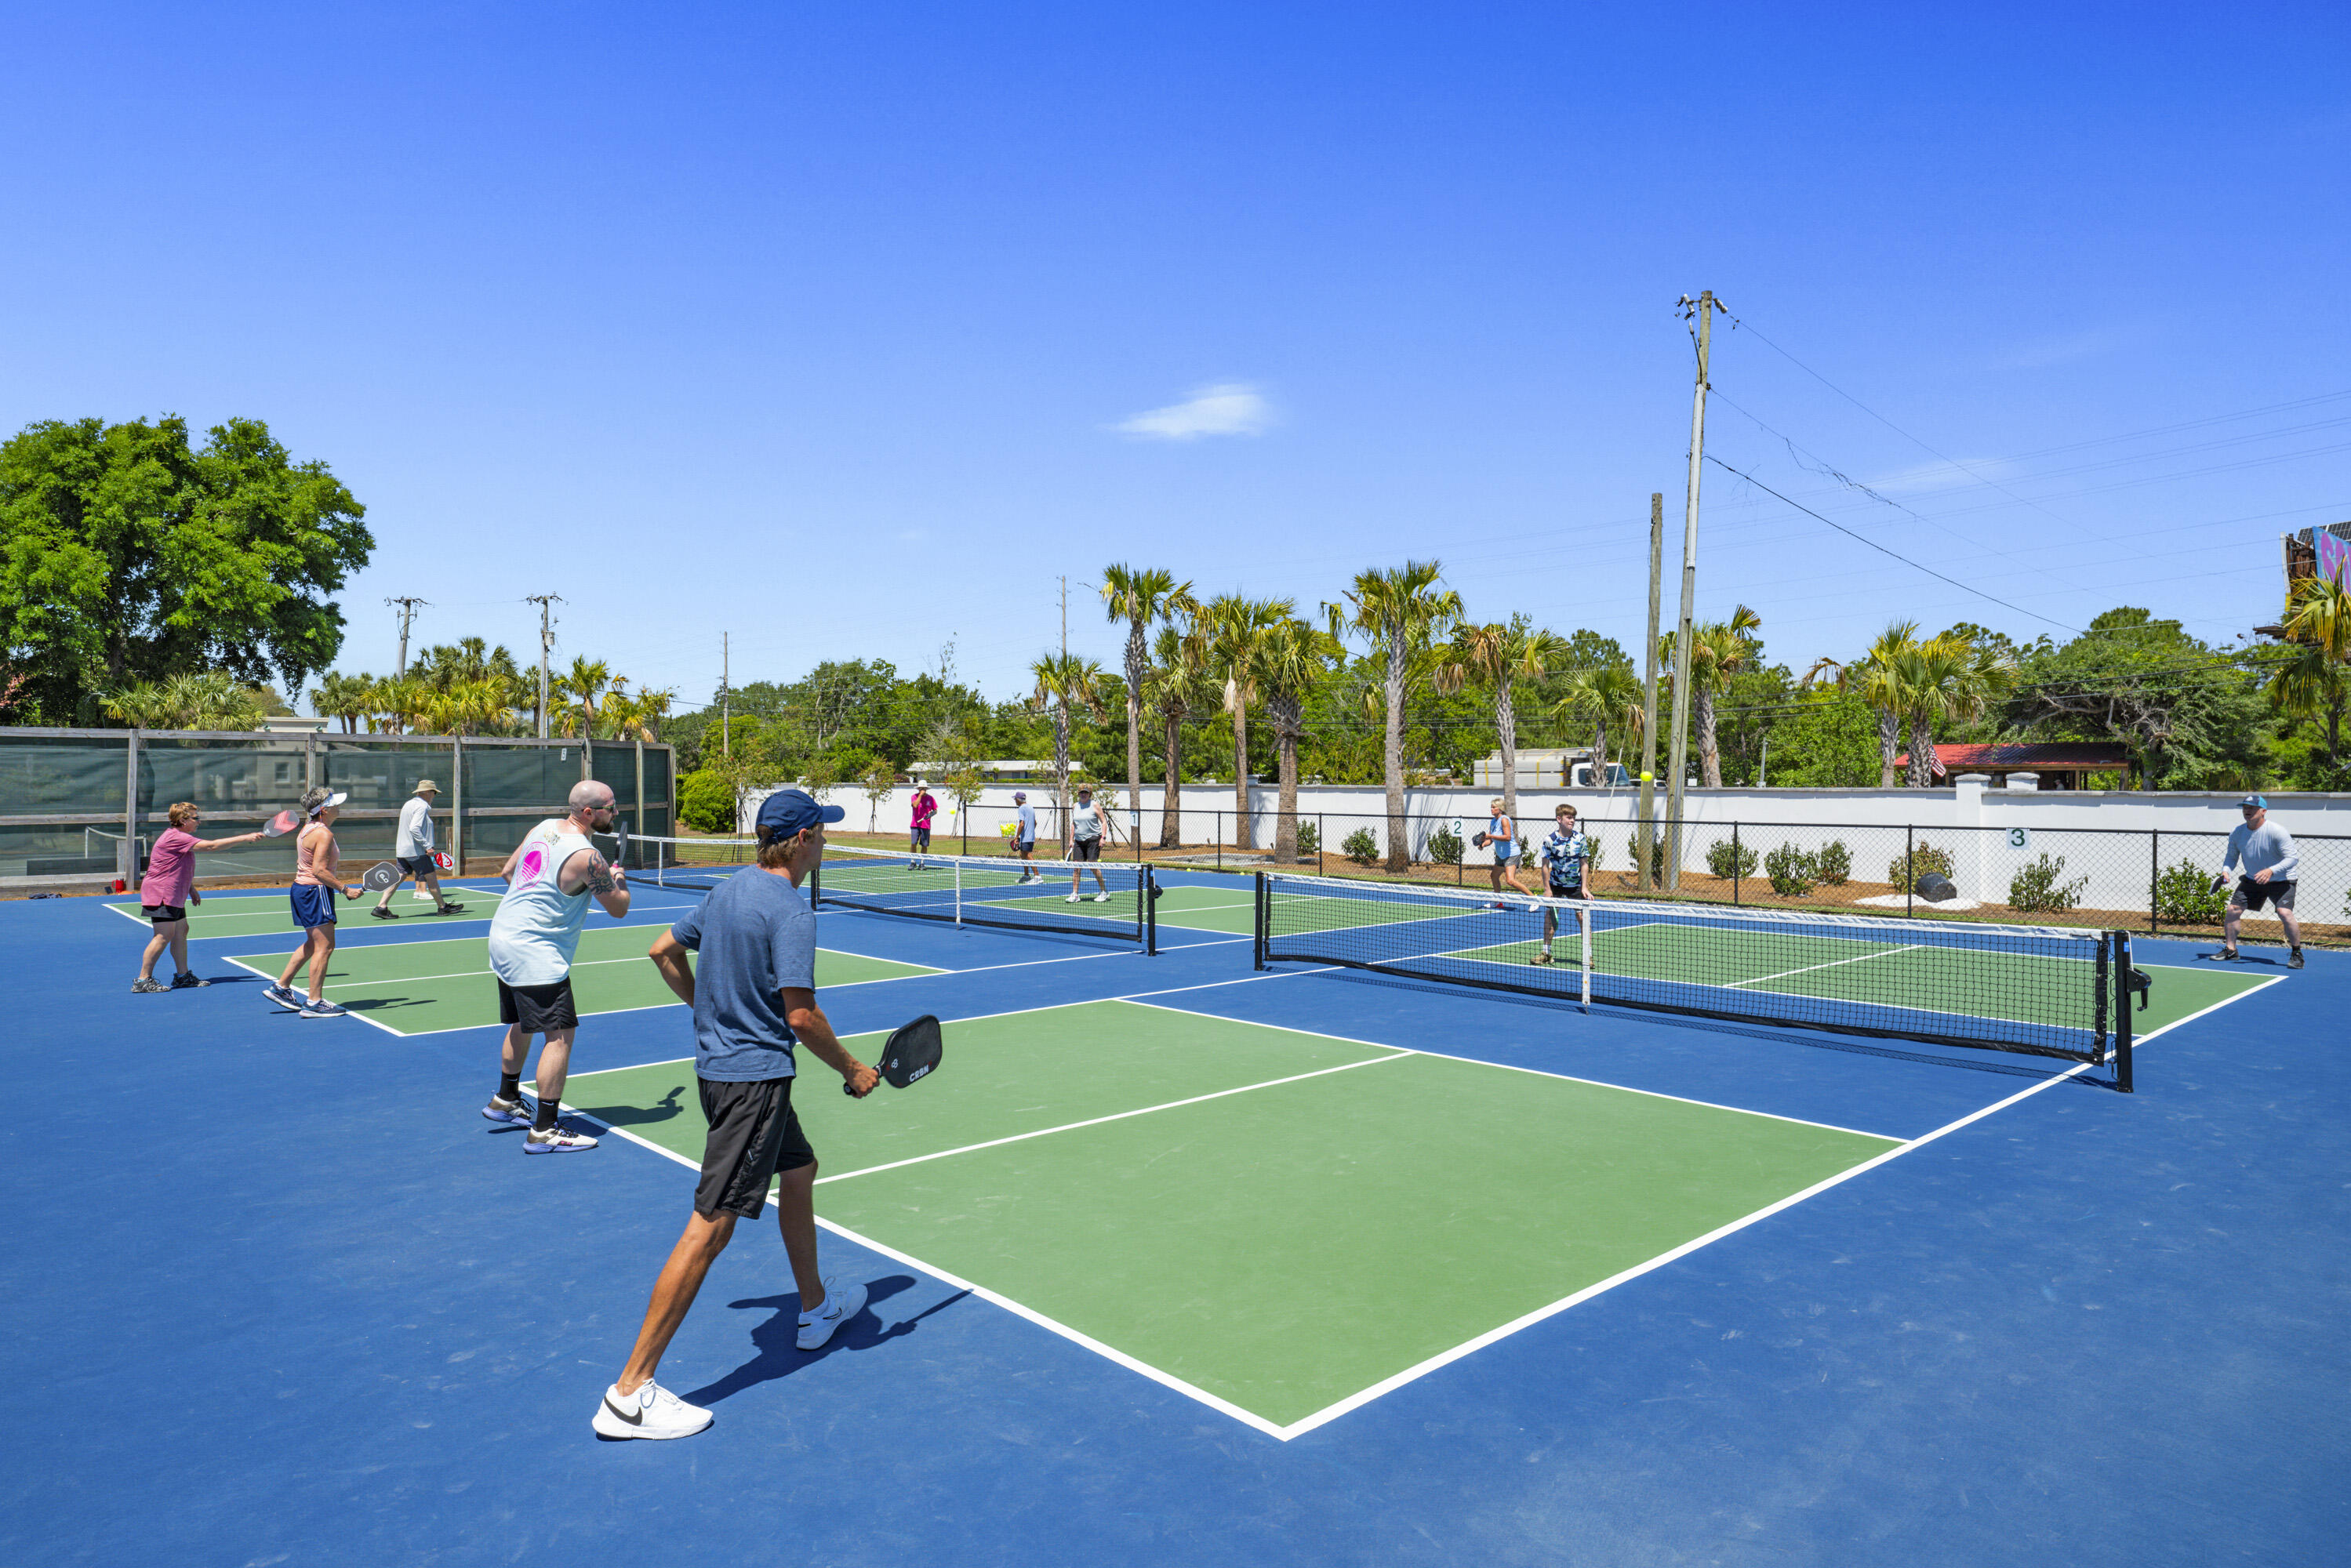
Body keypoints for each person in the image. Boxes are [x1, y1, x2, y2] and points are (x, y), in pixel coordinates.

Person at [593, 787, 879, 1440]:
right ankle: (629, 1393)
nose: (827, 841)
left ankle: (814, 1307)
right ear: (803, 839)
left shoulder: (727, 891)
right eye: (823, 831)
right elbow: (801, 1017)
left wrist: (706, 1013)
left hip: (726, 1076)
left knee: (800, 1169)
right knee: (711, 1228)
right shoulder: (791, 910)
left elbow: (662, 950)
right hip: (754, 1086)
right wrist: (852, 1070)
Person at [480, 781, 631, 1152]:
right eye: (611, 808)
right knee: (559, 1034)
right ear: (588, 813)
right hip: (535, 953)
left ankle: (506, 1099)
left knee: (523, 1023)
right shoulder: (588, 856)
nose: (616, 814)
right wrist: (619, 881)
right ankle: (545, 1129)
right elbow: (619, 907)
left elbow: (507, 872)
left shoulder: (543, 827)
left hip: (504, 938)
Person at [131, 803, 265, 993]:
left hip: (174, 893)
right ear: (183, 820)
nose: (199, 822)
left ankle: (183, 976)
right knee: (163, 935)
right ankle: (143, 980)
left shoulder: (182, 838)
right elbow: (211, 846)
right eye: (196, 818)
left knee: (181, 931)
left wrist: (191, 889)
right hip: (161, 893)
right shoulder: (175, 837)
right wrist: (246, 837)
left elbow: (175, 866)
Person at [264, 788, 362, 1018]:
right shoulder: (323, 834)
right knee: (325, 947)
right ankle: (314, 1002)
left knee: (312, 944)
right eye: (336, 804)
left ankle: (281, 987)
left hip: (302, 889)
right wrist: (345, 889)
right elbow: (319, 870)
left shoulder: (307, 829)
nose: (340, 808)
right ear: (324, 810)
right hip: (315, 891)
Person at [2219, 794, 2303, 969]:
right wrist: (2226, 871)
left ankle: (2297, 953)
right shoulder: (2237, 832)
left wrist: (2271, 870)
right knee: (2233, 910)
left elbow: (2292, 858)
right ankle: (2231, 950)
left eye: (2252, 808)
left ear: (2263, 811)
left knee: (2284, 912)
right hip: (2253, 878)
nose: (2247, 811)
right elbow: (2231, 856)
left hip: (2282, 879)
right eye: (2245, 808)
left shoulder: (2276, 831)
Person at [372, 778, 466, 920]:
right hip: (416, 852)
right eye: (434, 793)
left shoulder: (408, 804)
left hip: (403, 851)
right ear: (428, 792)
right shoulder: (421, 807)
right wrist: (427, 846)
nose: (434, 796)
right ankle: (443, 907)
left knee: (399, 878)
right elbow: (414, 828)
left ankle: (381, 907)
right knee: (432, 879)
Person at [1528, 804, 1591, 966]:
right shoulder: (1550, 841)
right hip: (1555, 885)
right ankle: (1546, 953)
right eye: (1569, 818)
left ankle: (1588, 956)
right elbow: (1544, 866)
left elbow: (1584, 864)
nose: (1572, 821)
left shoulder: (1580, 839)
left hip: (1575, 885)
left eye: (1573, 818)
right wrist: (1547, 889)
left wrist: (1584, 887)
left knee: (1582, 917)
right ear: (1559, 819)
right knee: (1550, 916)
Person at [1065, 783, 1115, 903]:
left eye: (1086, 793)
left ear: (1089, 794)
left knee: (1093, 866)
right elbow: (1074, 824)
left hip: (1093, 839)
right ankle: (1075, 894)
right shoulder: (1075, 806)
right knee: (1077, 867)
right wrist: (1071, 839)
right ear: (1079, 793)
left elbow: (1103, 822)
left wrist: (1103, 837)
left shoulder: (1095, 805)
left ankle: (1104, 891)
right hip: (1079, 840)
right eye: (1082, 792)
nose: (1083, 794)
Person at [1477, 797, 1529, 903]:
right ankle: (1497, 901)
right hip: (1501, 855)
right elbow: (1491, 840)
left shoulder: (1504, 820)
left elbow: (1508, 837)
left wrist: (1490, 835)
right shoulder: (1493, 821)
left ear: (1500, 809)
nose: (1491, 809)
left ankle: (1534, 899)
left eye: (1494, 807)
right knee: (1494, 876)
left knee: (1510, 881)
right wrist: (1482, 844)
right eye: (1491, 807)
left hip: (1511, 854)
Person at [907, 779, 937, 868]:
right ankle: (913, 862)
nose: (923, 790)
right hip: (915, 825)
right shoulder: (914, 797)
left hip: (926, 825)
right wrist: (920, 796)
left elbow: (935, 810)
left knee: (924, 844)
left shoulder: (931, 798)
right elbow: (915, 805)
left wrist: (931, 814)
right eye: (921, 788)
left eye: (924, 788)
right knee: (913, 843)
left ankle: (922, 863)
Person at [1011, 790, 1039, 884]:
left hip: (1026, 837)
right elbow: (1035, 823)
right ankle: (1027, 875)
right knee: (1022, 855)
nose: (1015, 801)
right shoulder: (1030, 807)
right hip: (1028, 837)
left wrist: (1017, 837)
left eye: (1016, 799)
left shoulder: (1022, 808)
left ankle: (1037, 876)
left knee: (1028, 855)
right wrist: (1030, 831)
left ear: (1019, 800)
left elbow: (1022, 824)